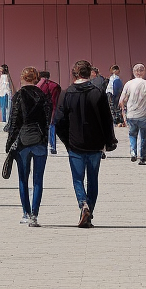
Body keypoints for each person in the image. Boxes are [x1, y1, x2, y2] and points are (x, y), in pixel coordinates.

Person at [53, 59, 116, 227]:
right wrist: (109, 141)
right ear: (90, 73)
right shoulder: (98, 93)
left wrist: (67, 141)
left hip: (75, 143)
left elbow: (58, 121)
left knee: (77, 179)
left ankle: (83, 204)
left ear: (75, 73)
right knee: (93, 179)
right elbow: (107, 120)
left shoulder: (67, 93)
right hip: (95, 143)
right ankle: (90, 212)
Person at [5, 66, 52, 227]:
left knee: (23, 179)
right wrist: (46, 140)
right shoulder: (44, 95)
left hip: (23, 142)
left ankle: (25, 212)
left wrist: (9, 143)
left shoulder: (18, 96)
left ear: (22, 78)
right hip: (39, 140)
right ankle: (34, 215)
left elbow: (13, 122)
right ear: (36, 79)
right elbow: (47, 121)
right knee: (38, 180)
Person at [119, 64, 146, 165]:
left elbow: (121, 100)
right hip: (145, 115)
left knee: (132, 135)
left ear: (134, 72)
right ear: (144, 72)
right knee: (144, 137)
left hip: (131, 115)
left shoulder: (128, 84)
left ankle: (133, 152)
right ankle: (142, 158)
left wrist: (124, 109)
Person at [36, 70, 62, 154]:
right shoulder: (55, 85)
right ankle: (52, 147)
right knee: (52, 126)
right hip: (54, 108)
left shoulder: (39, 85)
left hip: (43, 109)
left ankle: (43, 145)